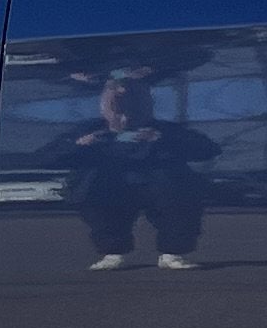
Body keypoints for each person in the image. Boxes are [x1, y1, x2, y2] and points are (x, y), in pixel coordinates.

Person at [62, 74, 216, 270]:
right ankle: (112, 252)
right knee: (95, 200)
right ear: (104, 107)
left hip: (163, 190)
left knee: (178, 197)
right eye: (117, 108)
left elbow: (208, 149)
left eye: (134, 105)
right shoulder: (88, 132)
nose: (125, 117)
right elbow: (46, 158)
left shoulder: (167, 131)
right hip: (109, 191)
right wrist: (80, 145)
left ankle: (173, 253)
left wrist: (164, 139)